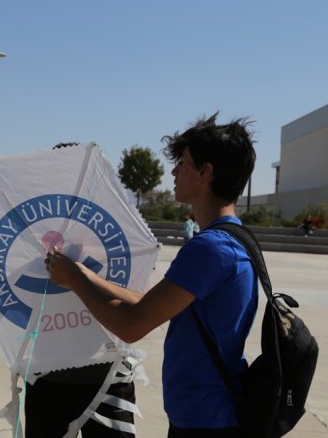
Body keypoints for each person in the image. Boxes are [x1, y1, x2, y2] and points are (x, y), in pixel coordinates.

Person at [46, 113, 258, 438]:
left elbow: (132, 325)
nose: (174, 171)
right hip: (210, 412)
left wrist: (75, 280)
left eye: (183, 163)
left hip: (207, 420)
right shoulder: (235, 238)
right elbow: (148, 303)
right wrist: (85, 274)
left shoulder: (210, 248)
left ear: (206, 172)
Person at [23, 142, 137, 438]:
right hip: (48, 374)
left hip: (107, 376)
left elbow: (134, 298)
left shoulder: (117, 230)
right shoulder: (31, 234)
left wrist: (79, 269)